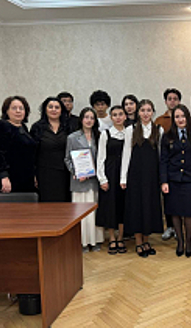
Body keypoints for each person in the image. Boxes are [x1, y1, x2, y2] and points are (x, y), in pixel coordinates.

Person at [160, 104, 191, 257]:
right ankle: (179, 241)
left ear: (187, 117)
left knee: (189, 212)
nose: (180, 119)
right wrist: (164, 181)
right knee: (175, 212)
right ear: (174, 119)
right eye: (177, 117)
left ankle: (189, 241)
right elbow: (164, 161)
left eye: (183, 116)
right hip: (173, 180)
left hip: (190, 179)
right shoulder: (168, 136)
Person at [121, 99, 164, 257]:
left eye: (148, 110)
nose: (146, 113)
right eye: (143, 110)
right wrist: (123, 178)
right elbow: (126, 154)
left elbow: (160, 156)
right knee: (137, 208)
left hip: (152, 176)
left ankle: (147, 240)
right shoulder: (130, 130)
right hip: (135, 176)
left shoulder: (158, 130)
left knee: (149, 207)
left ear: (153, 112)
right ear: (138, 112)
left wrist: (161, 178)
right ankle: (138, 242)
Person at [65, 108, 104, 252]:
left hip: (94, 181)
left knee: (94, 213)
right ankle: (82, 242)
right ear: (81, 119)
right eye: (86, 117)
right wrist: (76, 172)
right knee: (81, 213)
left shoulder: (99, 136)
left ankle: (95, 241)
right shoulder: (72, 137)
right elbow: (67, 159)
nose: (89, 120)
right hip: (79, 182)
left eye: (92, 118)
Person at [0, 96, 36, 194]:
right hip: (6, 179)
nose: (18, 111)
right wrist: (3, 176)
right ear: (6, 111)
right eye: (14, 108)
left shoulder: (23, 127)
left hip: (22, 178)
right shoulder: (1, 126)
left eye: (21, 108)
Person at [96, 106, 128, 255]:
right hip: (110, 174)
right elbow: (100, 158)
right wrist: (102, 179)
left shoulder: (130, 133)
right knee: (110, 207)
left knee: (123, 206)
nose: (118, 117)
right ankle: (112, 239)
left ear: (125, 116)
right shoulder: (105, 134)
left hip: (124, 175)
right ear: (111, 117)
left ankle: (121, 237)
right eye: (114, 115)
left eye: (120, 114)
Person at [30, 97, 71, 202]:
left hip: (64, 173)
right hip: (44, 173)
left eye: (57, 107)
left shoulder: (68, 127)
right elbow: (32, 153)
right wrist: (34, 174)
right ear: (45, 109)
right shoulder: (37, 128)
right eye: (50, 107)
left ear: (61, 110)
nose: (54, 110)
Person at [155, 88, 181, 240]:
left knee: (180, 198)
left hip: (181, 165)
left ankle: (180, 228)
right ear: (165, 101)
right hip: (166, 164)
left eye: (175, 98)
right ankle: (170, 226)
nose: (172, 101)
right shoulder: (159, 121)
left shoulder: (184, 118)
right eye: (170, 99)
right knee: (168, 197)